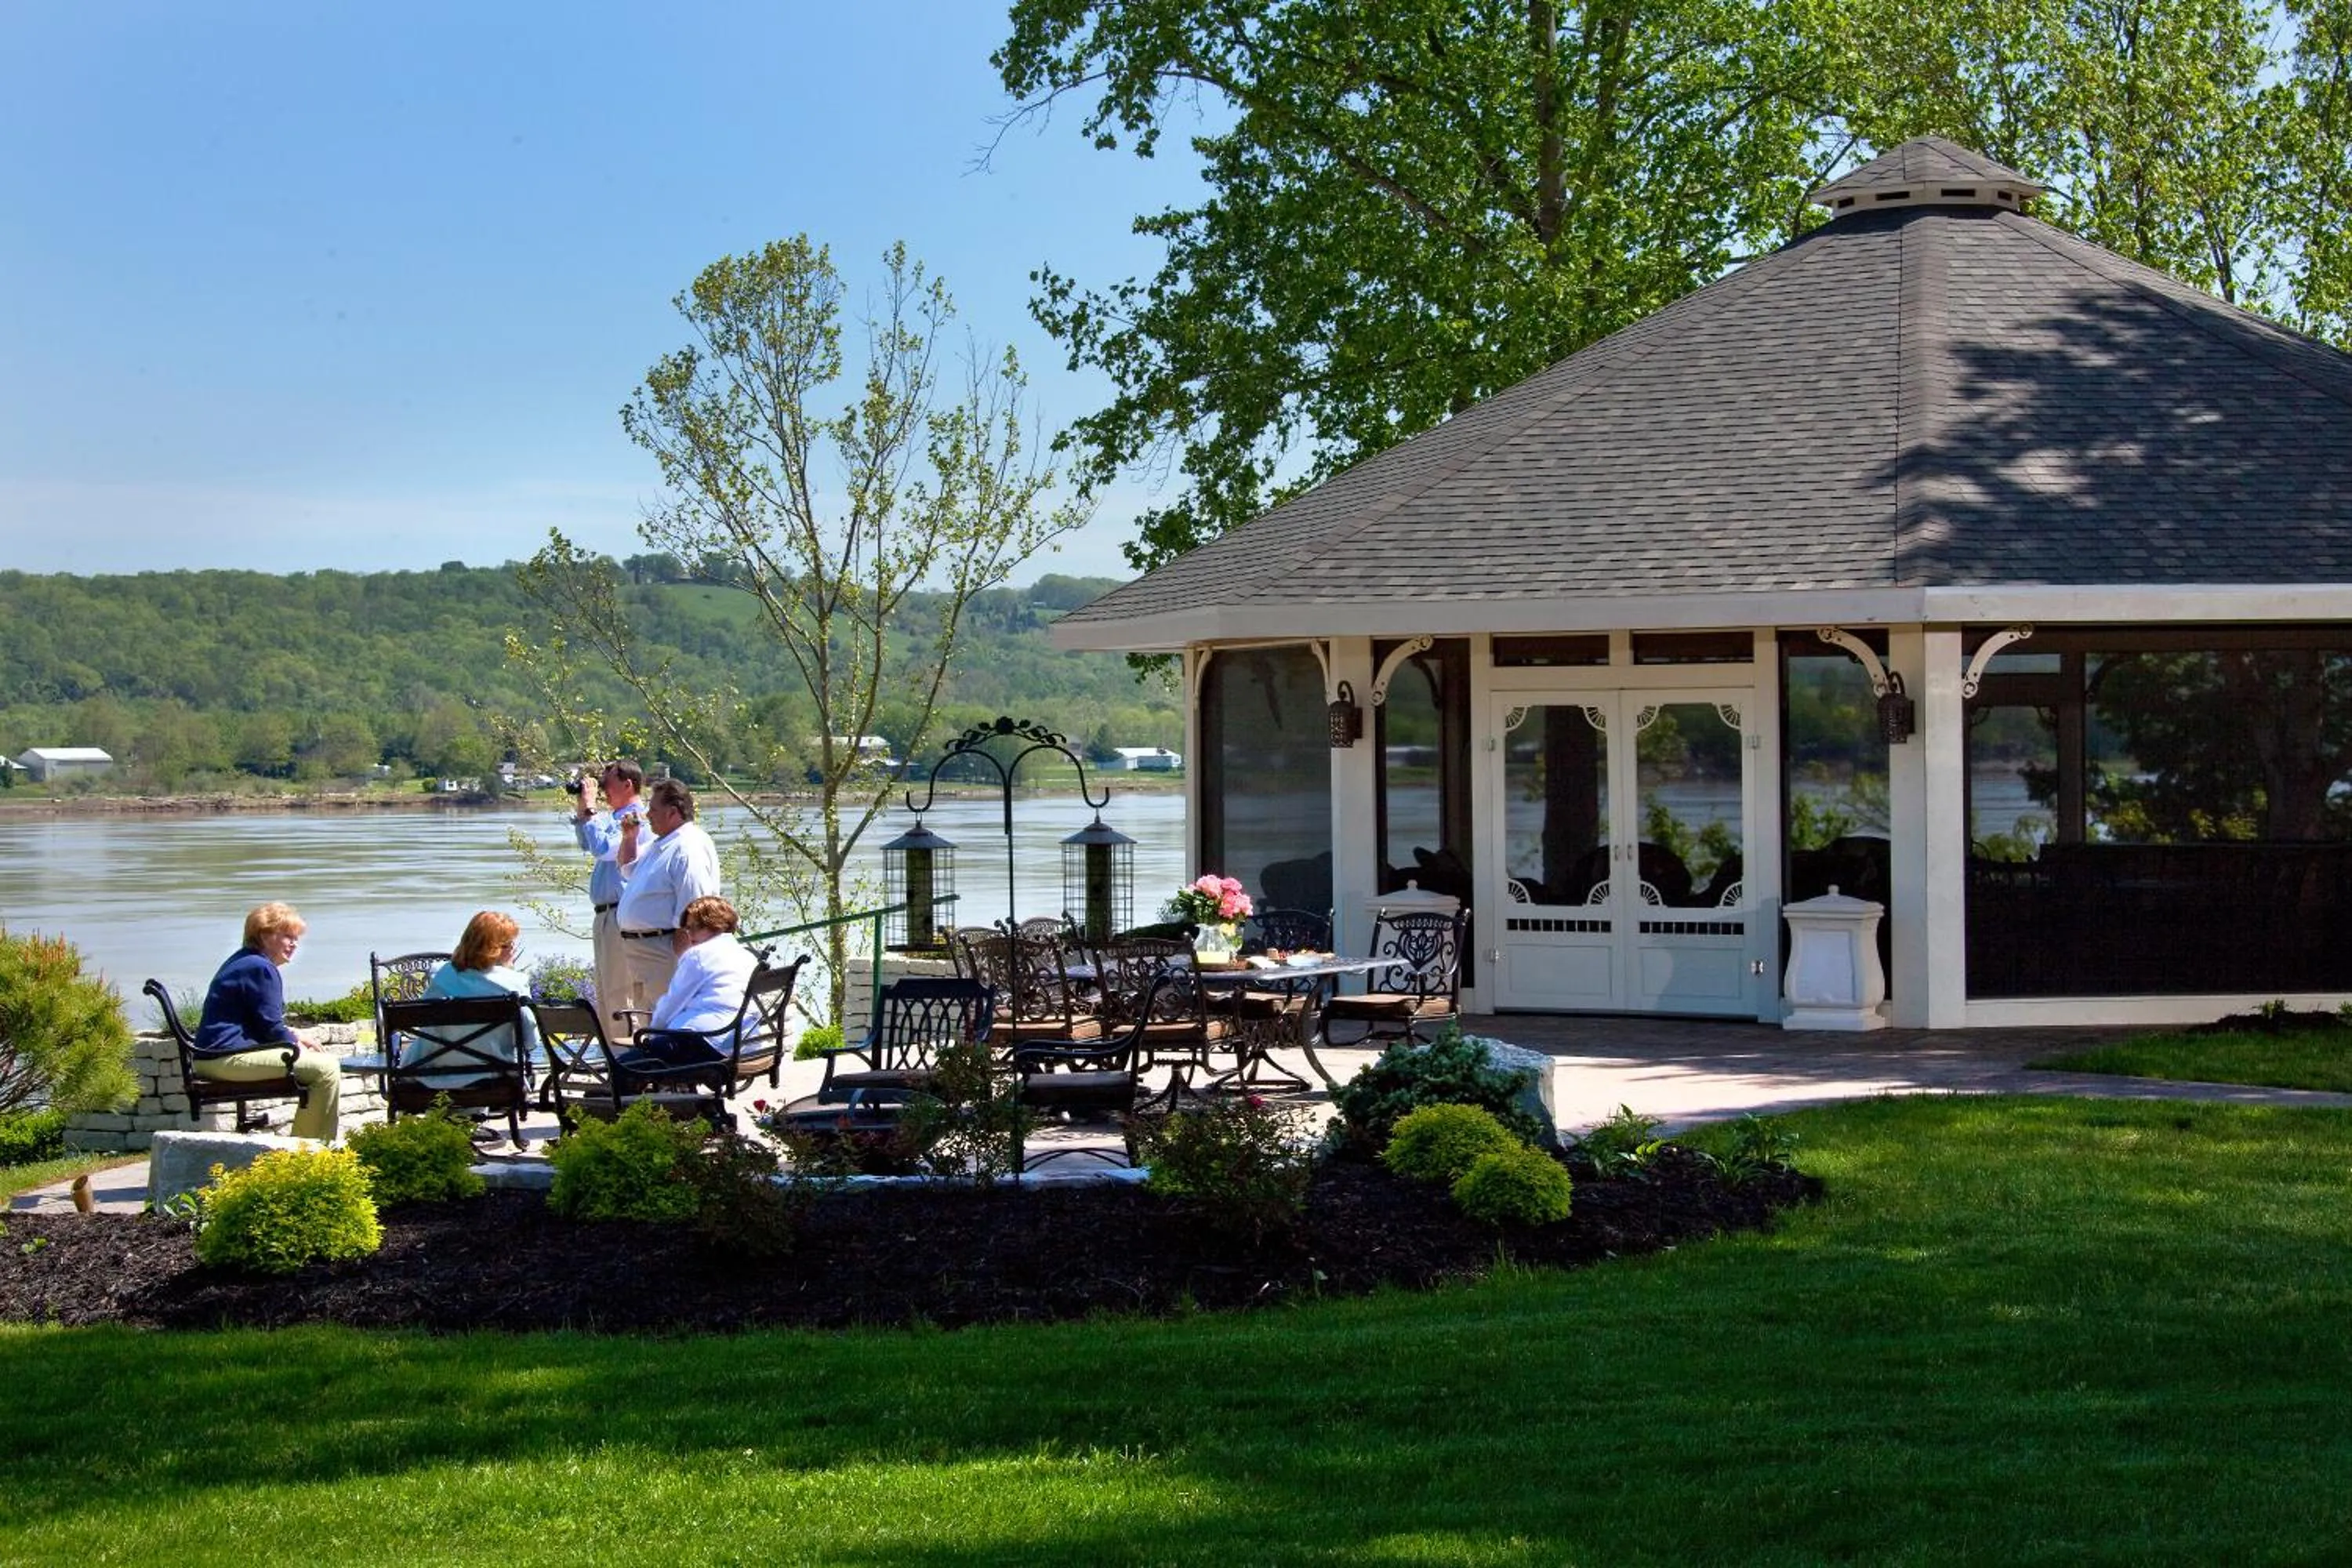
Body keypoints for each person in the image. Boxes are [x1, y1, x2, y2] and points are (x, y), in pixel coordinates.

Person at [192, 902, 343, 1142]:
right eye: (287, 936)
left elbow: (259, 1020)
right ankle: (307, 1153)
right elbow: (271, 1029)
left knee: (320, 1064)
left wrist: (294, 1035)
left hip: (211, 1057)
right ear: (264, 935)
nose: (294, 944)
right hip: (225, 1059)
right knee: (325, 1069)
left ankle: (314, 1147)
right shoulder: (261, 968)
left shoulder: (244, 961)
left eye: (296, 938)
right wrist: (294, 1044)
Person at [613, 776, 721, 1018]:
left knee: (667, 1022)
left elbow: (694, 909)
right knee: (649, 1022)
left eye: (653, 809)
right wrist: (629, 837)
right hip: (645, 951)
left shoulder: (687, 847)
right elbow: (627, 867)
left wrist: (684, 963)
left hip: (665, 952)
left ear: (672, 812)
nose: (647, 814)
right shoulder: (663, 842)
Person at [617, 895, 760, 1072]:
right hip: (746, 1040)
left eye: (697, 927)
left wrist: (651, 1034)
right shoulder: (746, 954)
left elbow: (672, 1003)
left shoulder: (699, 955)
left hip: (709, 1043)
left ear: (717, 925)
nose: (690, 935)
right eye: (687, 928)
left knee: (624, 1066)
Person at [407, 910, 541, 1087]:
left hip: (434, 1073)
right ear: (493, 949)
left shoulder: (442, 976)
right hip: (495, 1075)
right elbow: (530, 1040)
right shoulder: (513, 983)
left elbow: (422, 1021)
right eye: (509, 945)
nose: (513, 950)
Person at [570, 760, 646, 1034]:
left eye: (608, 783)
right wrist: (583, 811)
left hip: (619, 913)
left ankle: (628, 1061)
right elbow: (585, 842)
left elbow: (602, 849)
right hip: (604, 915)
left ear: (628, 784)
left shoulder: (637, 818)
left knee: (620, 992)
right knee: (605, 992)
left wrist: (591, 808)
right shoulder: (614, 819)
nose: (603, 790)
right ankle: (615, 1058)